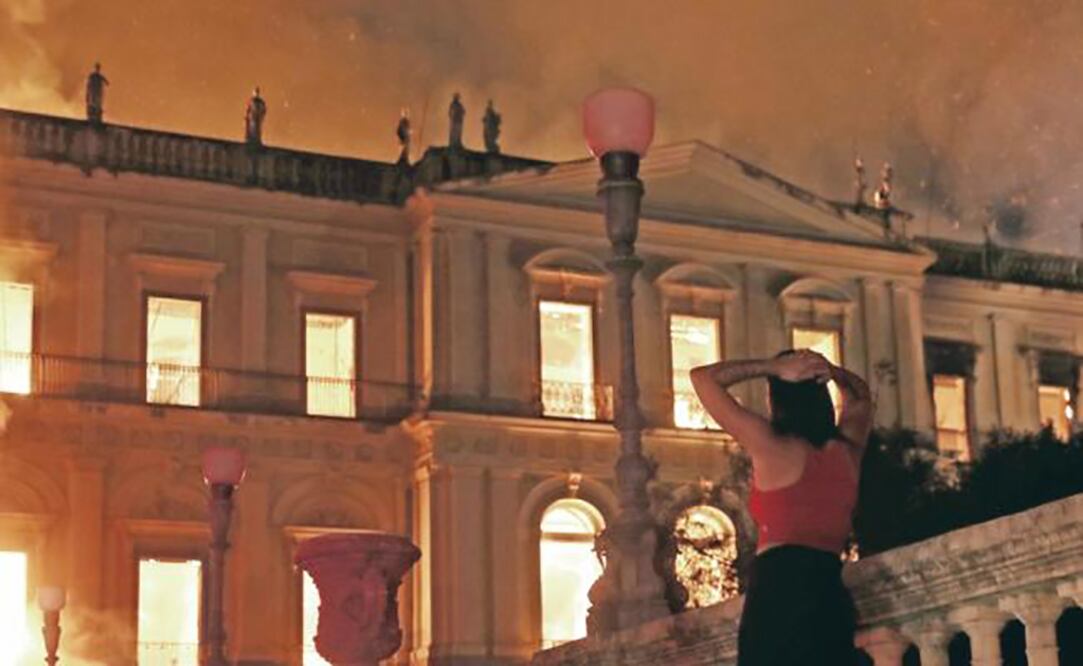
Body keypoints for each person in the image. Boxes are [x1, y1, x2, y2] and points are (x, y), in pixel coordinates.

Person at [690, 350, 873, 665]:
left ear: (777, 398)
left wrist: (770, 366)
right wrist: (831, 371)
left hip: (778, 591)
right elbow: (861, 397)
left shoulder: (771, 445)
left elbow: (703, 379)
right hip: (828, 590)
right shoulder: (847, 450)